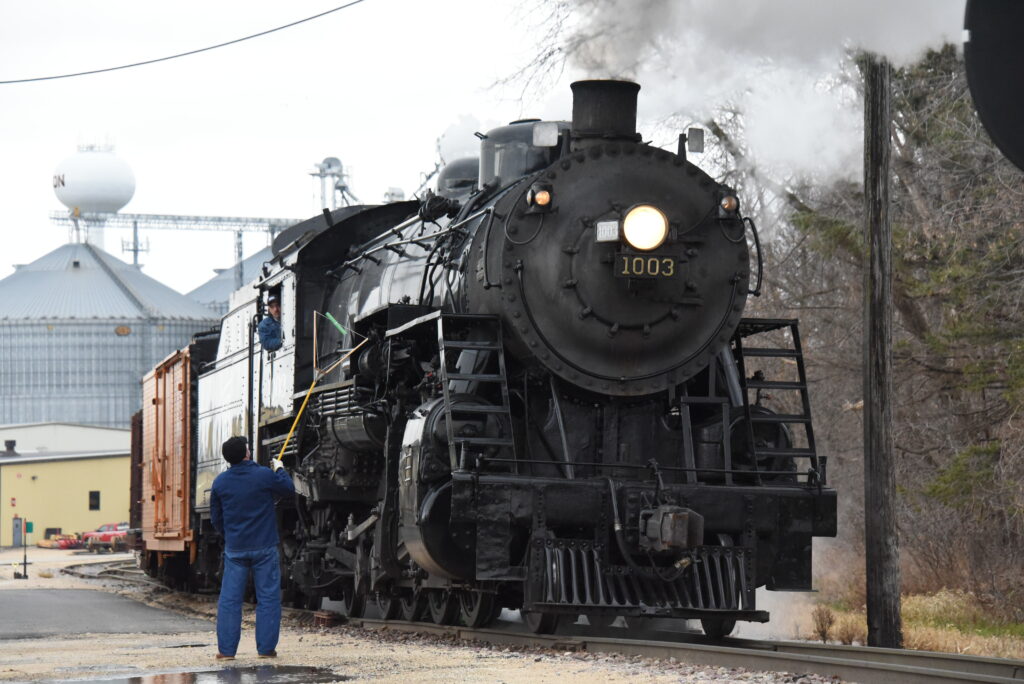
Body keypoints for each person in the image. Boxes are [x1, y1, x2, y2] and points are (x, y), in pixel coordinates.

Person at [210, 436, 294, 660]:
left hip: (236, 550)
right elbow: (288, 489)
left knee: (229, 600)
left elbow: (216, 519)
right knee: (267, 599)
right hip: (265, 547)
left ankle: (226, 652)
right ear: (247, 453)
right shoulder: (264, 475)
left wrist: (230, 537)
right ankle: (266, 649)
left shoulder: (220, 483)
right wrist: (280, 469)